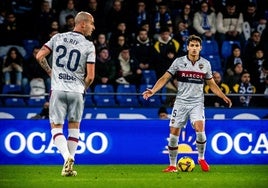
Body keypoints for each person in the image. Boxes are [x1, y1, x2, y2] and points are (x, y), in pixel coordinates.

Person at [142, 35, 232, 172]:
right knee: (173, 133)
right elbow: (165, 77)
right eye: (192, 45)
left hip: (197, 102)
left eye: (197, 46)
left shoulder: (206, 64)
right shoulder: (179, 62)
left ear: (200, 48)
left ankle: (201, 158)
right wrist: (153, 90)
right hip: (180, 102)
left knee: (200, 130)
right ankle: (172, 165)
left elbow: (212, 84)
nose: (194, 48)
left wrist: (223, 96)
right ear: (187, 47)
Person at [36, 11, 95, 177]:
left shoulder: (57, 37)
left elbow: (40, 56)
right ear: (82, 24)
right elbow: (90, 76)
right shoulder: (89, 46)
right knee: (74, 127)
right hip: (76, 91)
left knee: (56, 127)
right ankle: (70, 161)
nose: (93, 27)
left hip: (58, 89)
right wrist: (82, 88)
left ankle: (66, 158)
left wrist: (50, 72)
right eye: (91, 23)